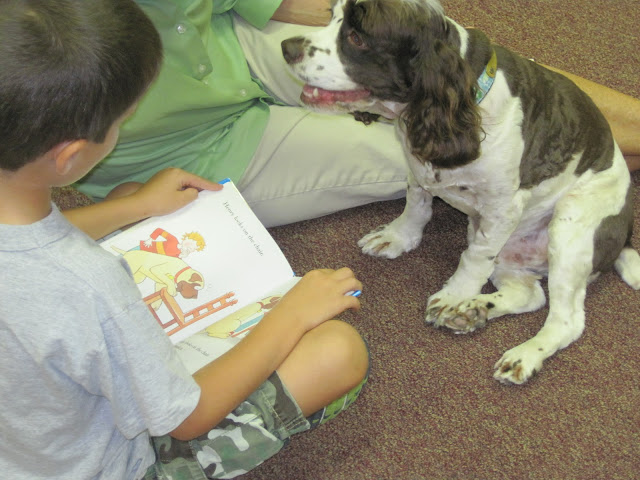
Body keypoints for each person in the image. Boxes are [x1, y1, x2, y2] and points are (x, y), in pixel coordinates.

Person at [0, 1, 368, 479]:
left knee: (129, 196)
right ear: (70, 156)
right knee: (338, 352)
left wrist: (135, 207)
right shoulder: (89, 285)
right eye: (121, 123)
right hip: (110, 462)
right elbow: (186, 418)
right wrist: (291, 315)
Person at [71, 0, 640, 228]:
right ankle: (588, 166)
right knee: (452, 160)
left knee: (439, 48)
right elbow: (27, 226)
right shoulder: (40, 51)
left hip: (230, 39)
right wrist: (134, 207)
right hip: (197, 150)